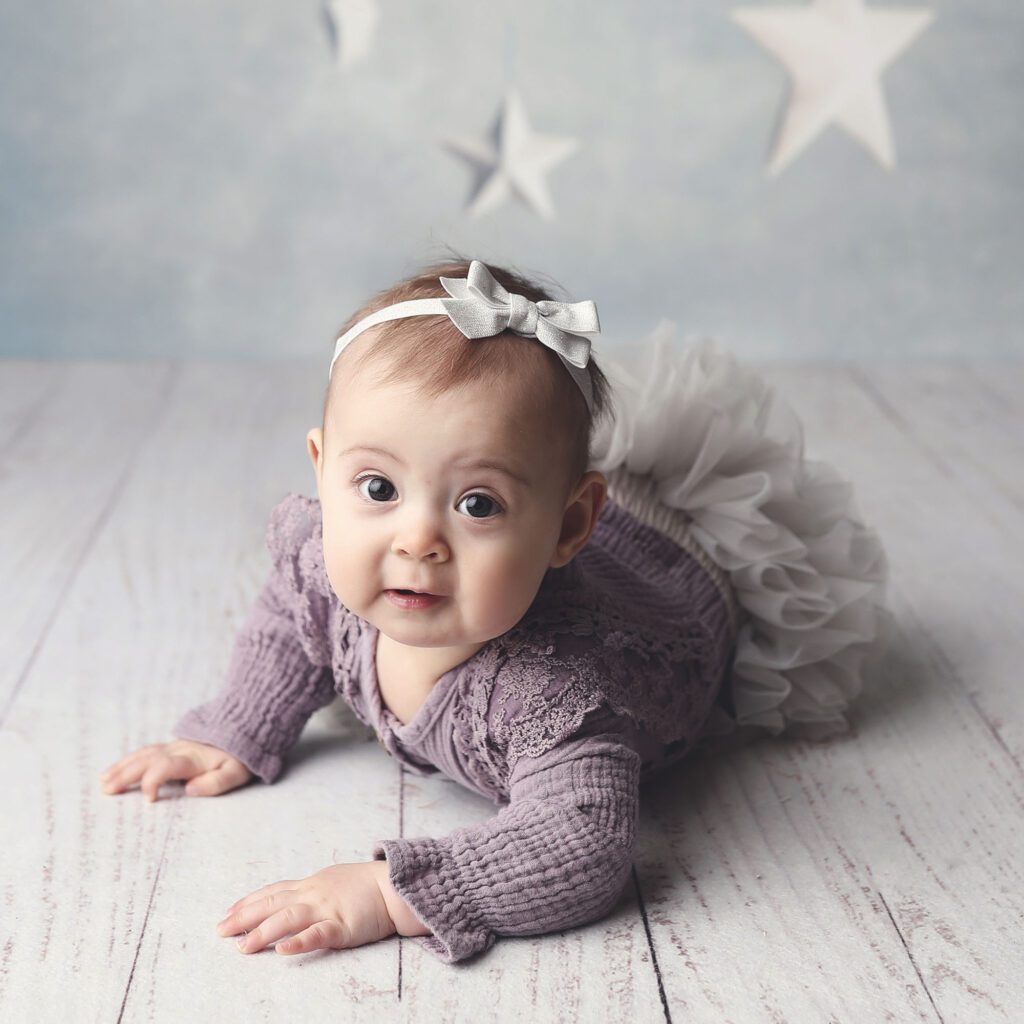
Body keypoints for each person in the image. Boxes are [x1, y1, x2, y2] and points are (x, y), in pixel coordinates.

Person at [98, 257, 893, 964]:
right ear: (321, 467)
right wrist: (240, 723)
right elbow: (288, 624)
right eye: (378, 487)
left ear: (571, 527)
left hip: (680, 576)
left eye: (477, 504)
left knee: (585, 486)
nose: (417, 540)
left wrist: (394, 894)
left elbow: (581, 845)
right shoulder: (326, 569)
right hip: (579, 531)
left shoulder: (559, 694)